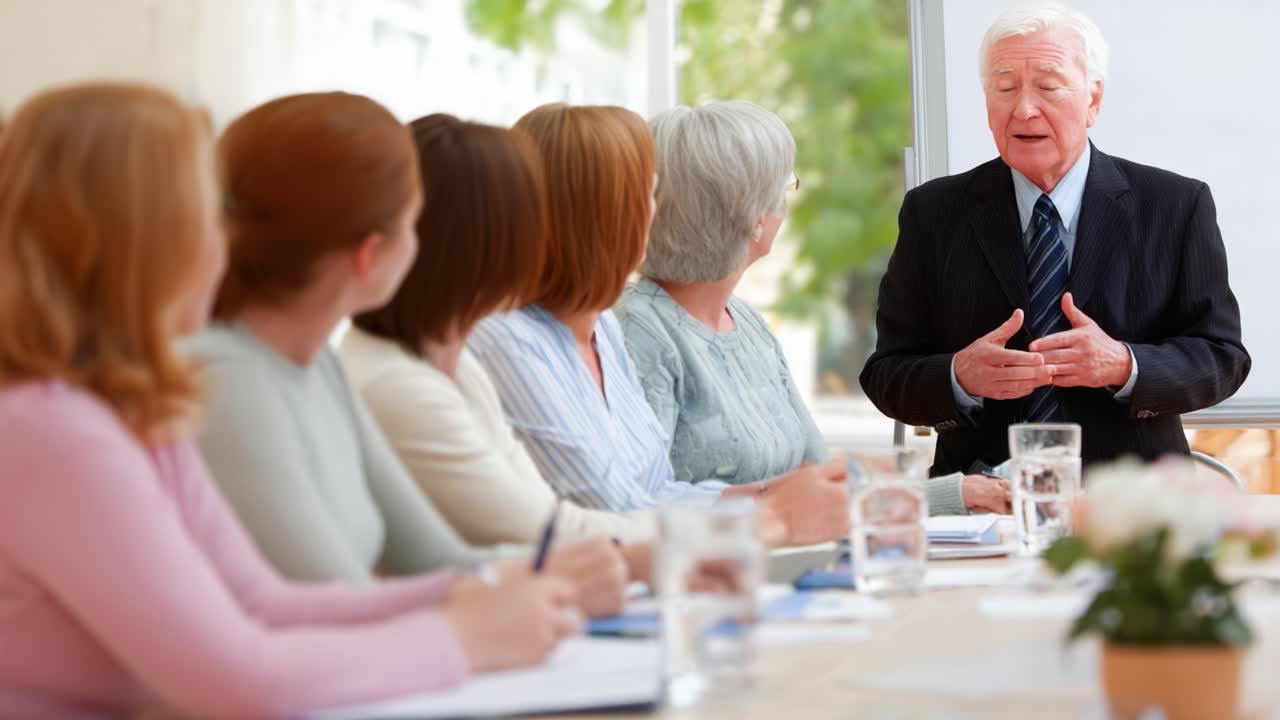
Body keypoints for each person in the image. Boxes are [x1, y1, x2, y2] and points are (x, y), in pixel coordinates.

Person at [0, 82, 581, 718]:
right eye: (209, 218)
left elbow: (261, 601)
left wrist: (477, 594)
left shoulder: (125, 409)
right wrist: (464, 636)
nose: (226, 246)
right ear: (149, 242)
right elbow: (236, 678)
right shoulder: (54, 431)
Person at [185, 92, 625, 615]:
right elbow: (340, 607)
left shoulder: (318, 366)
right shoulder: (235, 383)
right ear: (370, 253)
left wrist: (588, 570)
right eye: (415, 222)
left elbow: (433, 557)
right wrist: (555, 585)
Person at [860, 1, 1249, 476]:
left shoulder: (1175, 205)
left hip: (1133, 503)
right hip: (983, 502)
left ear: (1094, 99)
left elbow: (1223, 358)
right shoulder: (933, 212)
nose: (1024, 108)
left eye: (1048, 86)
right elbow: (885, 374)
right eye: (1004, 88)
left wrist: (1125, 365)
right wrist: (958, 377)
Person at [467, 103, 849, 546]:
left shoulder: (601, 330)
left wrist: (774, 495)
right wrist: (775, 515)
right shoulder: (508, 339)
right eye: (646, 196)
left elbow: (653, 492)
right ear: (602, 217)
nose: (657, 215)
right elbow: (607, 512)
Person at [616, 100, 1011, 515]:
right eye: (785, 185)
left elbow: (820, 481)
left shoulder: (746, 324)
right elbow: (640, 505)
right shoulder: (637, 333)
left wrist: (960, 493)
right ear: (752, 216)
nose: (787, 201)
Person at [341, 114, 655, 560]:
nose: (549, 234)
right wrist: (711, 535)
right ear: (488, 238)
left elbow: (543, 515)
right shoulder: (398, 383)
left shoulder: (454, 362)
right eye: (532, 216)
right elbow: (541, 532)